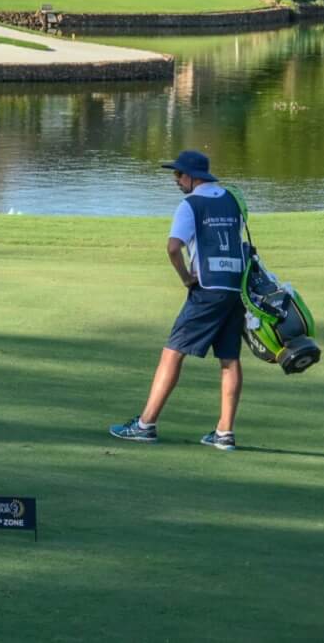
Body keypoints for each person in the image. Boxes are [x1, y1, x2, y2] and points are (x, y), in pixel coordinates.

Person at [111, 151, 252, 451]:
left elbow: (173, 248)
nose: (176, 180)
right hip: (236, 287)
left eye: (178, 175)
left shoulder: (190, 204)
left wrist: (186, 278)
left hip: (207, 288)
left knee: (172, 353)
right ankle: (225, 433)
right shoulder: (232, 198)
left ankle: (145, 425)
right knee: (229, 358)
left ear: (191, 177)